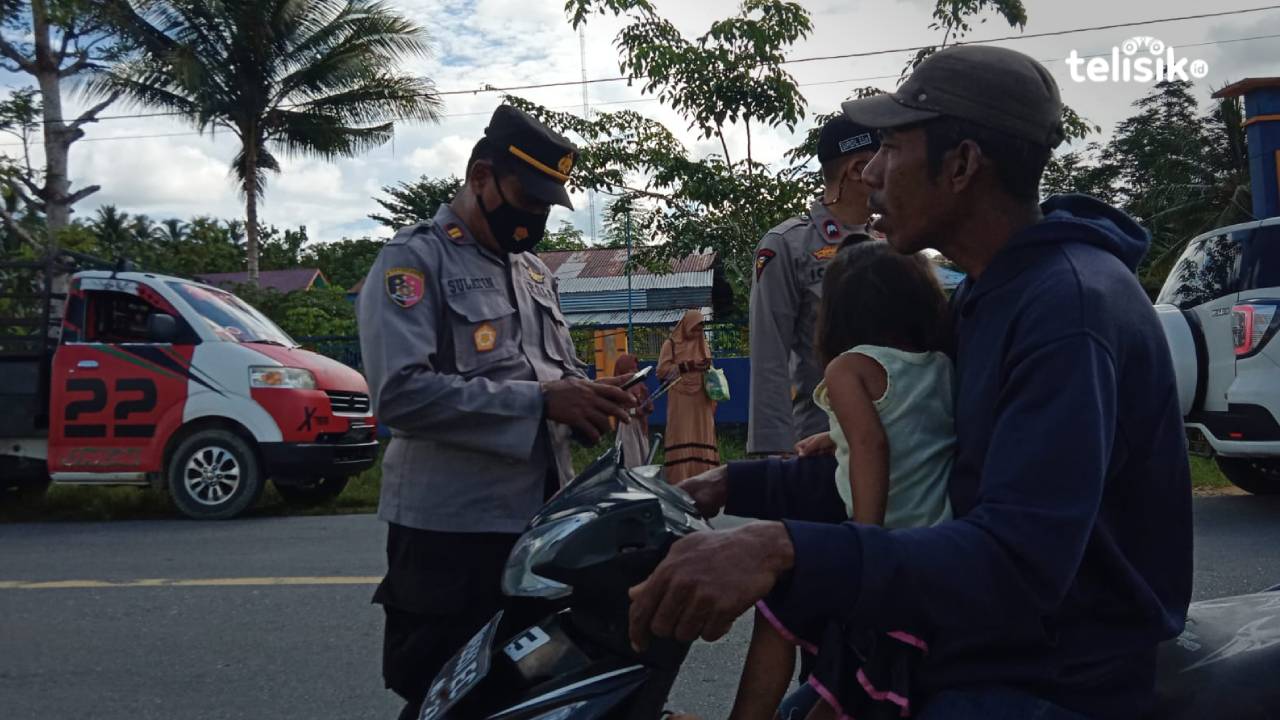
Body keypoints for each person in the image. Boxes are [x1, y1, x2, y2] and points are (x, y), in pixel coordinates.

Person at [629, 45, 1193, 719]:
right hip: (983, 647)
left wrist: (783, 546)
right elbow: (915, 467)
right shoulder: (989, 296)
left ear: (960, 166)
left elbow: (1018, 565)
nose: (868, 173)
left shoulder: (1066, 308)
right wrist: (733, 485)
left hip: (1055, 676)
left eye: (892, 149)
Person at [356, 104, 636, 720]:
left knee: (526, 691)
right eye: (526, 199)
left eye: (545, 206)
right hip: (449, 537)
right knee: (443, 695)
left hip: (537, 529)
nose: (534, 218)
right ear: (480, 176)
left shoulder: (534, 271)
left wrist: (598, 397)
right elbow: (399, 394)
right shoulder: (413, 262)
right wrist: (541, 402)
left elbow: (553, 379)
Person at [730, 242, 956, 720]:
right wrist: (835, 440)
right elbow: (910, 429)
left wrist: (864, 540)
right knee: (847, 689)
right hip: (937, 545)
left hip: (889, 544)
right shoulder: (938, 364)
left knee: (781, 610)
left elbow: (872, 446)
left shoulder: (847, 368)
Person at [747, 116, 878, 457]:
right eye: (887, 157)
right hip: (820, 440)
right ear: (859, 169)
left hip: (898, 434)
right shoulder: (788, 245)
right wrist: (776, 453)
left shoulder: (892, 243)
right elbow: (769, 355)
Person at [657, 310, 719, 483]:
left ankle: (705, 480)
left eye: (700, 329)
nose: (697, 333)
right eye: (694, 328)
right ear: (686, 326)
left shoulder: (702, 344)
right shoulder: (671, 344)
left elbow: (710, 368)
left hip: (701, 397)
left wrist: (705, 368)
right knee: (681, 433)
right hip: (680, 397)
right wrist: (687, 366)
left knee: (702, 433)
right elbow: (661, 372)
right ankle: (680, 480)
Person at [613, 353, 654, 467]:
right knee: (631, 460)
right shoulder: (620, 387)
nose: (635, 371)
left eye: (636, 368)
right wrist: (635, 412)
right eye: (632, 368)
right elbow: (621, 411)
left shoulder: (640, 384)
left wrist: (648, 407)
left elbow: (649, 407)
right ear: (624, 369)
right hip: (627, 428)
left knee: (643, 459)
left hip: (640, 427)